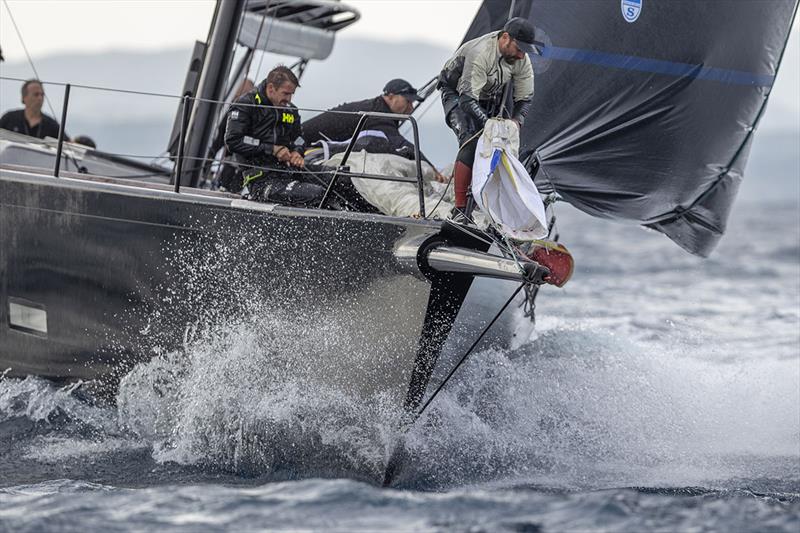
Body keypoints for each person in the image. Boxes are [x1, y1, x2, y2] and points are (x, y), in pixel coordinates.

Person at [438, 17, 537, 219]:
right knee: (472, 141)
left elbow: (525, 98)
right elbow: (467, 99)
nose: (521, 55)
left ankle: (486, 204)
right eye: (519, 49)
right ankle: (459, 209)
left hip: (488, 98)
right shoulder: (481, 52)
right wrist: (487, 123)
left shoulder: (521, 58)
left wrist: (516, 122)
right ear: (506, 38)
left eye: (525, 51)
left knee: (500, 144)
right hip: (458, 94)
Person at [303, 79, 447, 182]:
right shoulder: (378, 114)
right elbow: (402, 145)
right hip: (305, 146)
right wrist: (431, 169)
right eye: (407, 101)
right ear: (390, 97)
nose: (411, 108)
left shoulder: (378, 108)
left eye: (412, 103)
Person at [225, 66, 320, 205]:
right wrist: (272, 149)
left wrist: (297, 152)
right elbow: (233, 140)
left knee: (340, 178)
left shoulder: (291, 110)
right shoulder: (245, 105)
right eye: (285, 93)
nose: (289, 99)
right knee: (316, 193)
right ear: (271, 88)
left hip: (289, 172)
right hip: (261, 179)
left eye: (291, 94)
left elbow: (299, 138)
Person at [206, 78, 255, 192]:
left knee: (233, 185)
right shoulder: (233, 110)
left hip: (243, 160)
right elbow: (219, 137)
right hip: (231, 158)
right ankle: (206, 173)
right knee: (225, 180)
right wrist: (209, 159)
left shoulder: (254, 112)